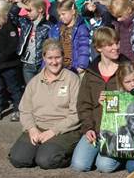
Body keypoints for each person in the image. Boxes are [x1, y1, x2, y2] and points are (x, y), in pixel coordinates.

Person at [8, 39, 81, 170]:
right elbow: (25, 110)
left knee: (46, 160)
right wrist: (31, 128)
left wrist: (53, 131)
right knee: (18, 159)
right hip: (38, 127)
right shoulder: (35, 82)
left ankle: (69, 153)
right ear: (44, 58)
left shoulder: (72, 79)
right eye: (50, 58)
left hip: (64, 130)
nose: (54, 62)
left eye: (58, 57)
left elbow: (76, 114)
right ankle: (41, 150)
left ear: (63, 57)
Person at [70, 27, 126, 173]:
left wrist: (115, 100)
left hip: (118, 129)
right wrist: (88, 128)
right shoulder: (91, 72)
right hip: (96, 127)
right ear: (99, 48)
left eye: (117, 42)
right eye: (110, 44)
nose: (116, 47)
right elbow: (83, 104)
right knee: (79, 165)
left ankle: (125, 155)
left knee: (104, 166)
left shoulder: (127, 68)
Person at [0, 0, 24, 121]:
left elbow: (13, 47)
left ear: (3, 16)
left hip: (9, 65)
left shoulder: (10, 28)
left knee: (14, 88)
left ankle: (17, 109)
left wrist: (1, 58)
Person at [9, 0, 54, 84]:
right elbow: (11, 16)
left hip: (41, 63)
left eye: (29, 10)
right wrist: (17, 5)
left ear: (40, 9)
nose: (27, 13)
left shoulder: (48, 26)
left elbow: (51, 45)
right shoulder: (26, 22)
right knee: (30, 88)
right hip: (27, 63)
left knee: (42, 88)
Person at [48, 0, 91, 74]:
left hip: (76, 67)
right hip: (60, 67)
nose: (61, 17)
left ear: (73, 11)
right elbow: (49, 48)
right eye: (59, 15)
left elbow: (84, 47)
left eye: (63, 14)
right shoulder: (56, 28)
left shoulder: (81, 28)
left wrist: (81, 66)